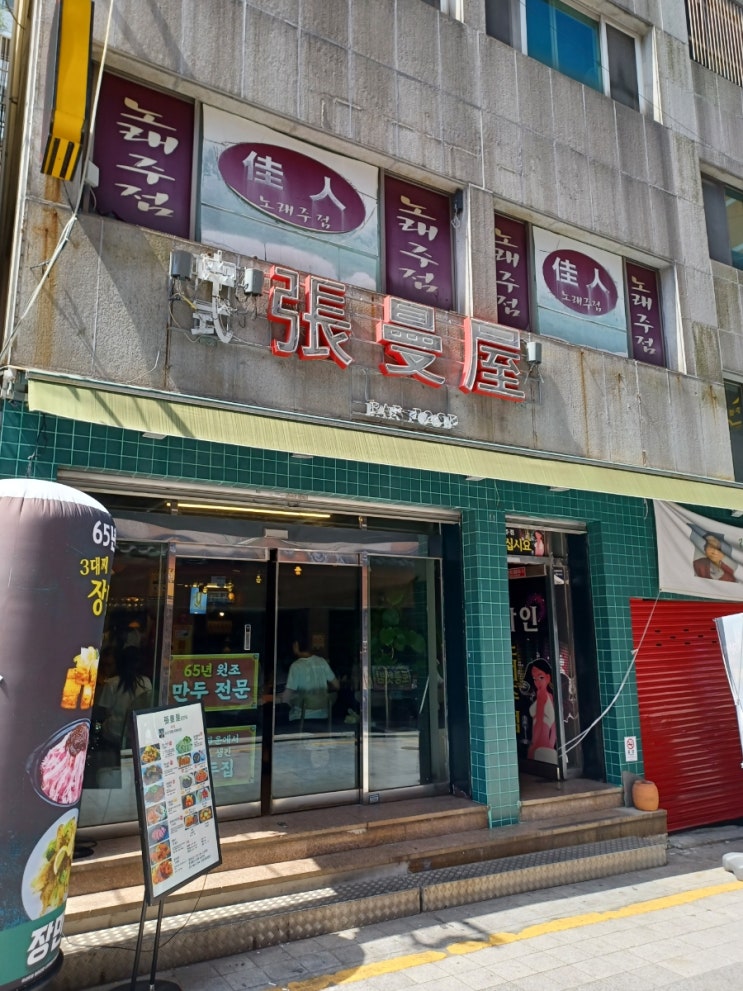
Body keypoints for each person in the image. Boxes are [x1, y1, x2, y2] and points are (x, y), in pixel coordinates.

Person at [96, 646, 153, 750]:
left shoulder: (111, 684)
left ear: (119, 663)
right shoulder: (146, 682)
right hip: (137, 734)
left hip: (113, 734)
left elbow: (103, 713)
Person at [282, 636, 339, 723]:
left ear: (296, 645)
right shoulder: (322, 661)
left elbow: (286, 698)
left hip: (300, 718)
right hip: (324, 717)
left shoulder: (296, 666)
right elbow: (337, 686)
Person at [526, 656, 557, 763]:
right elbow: (554, 726)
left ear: (548, 677)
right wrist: (550, 745)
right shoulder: (550, 696)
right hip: (548, 742)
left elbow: (539, 721)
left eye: (541, 677)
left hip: (539, 740)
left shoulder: (542, 695)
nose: (537, 682)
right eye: (535, 679)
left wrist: (534, 744)